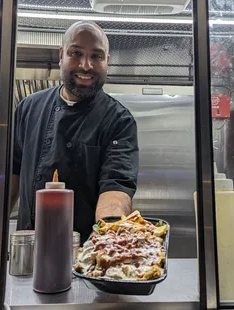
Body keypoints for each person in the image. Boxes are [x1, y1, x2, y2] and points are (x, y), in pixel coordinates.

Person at [11, 20, 139, 243]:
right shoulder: (28, 108)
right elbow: (11, 173)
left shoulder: (119, 120)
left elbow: (116, 186)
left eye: (97, 56)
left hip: (89, 255)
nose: (86, 65)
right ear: (61, 55)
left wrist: (108, 239)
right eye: (76, 53)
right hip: (30, 252)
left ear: (107, 62)